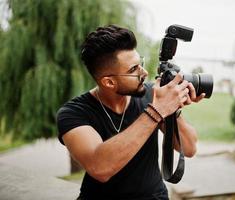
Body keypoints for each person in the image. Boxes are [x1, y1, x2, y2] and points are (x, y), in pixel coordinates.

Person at [56, 24, 205, 200]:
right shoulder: (73, 113)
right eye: (133, 70)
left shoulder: (152, 95)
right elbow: (100, 168)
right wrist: (157, 111)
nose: (145, 72)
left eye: (139, 64)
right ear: (109, 82)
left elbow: (189, 148)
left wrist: (173, 109)